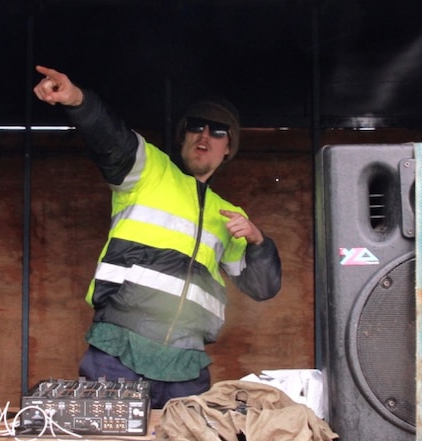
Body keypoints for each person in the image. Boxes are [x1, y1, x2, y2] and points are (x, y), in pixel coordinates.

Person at [33, 65, 282, 409]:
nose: (204, 136)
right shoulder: (151, 171)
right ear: (183, 137)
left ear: (229, 148)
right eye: (195, 127)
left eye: (218, 131)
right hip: (120, 348)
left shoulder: (229, 214)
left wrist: (258, 241)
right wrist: (78, 100)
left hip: (185, 363)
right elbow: (112, 138)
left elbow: (263, 287)